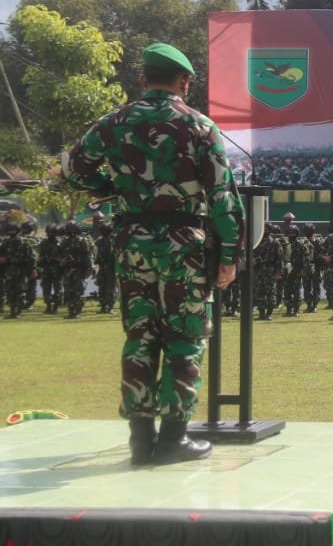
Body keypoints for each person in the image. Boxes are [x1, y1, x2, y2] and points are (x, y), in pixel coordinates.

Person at [66, 42, 244, 466]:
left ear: (143, 79)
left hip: (133, 241)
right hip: (184, 244)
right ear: (185, 82)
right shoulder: (199, 125)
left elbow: (74, 169)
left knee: (140, 335)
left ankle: (140, 440)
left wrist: (113, 188)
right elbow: (221, 195)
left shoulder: (113, 122)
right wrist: (230, 254)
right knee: (184, 336)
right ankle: (173, 439)